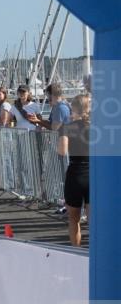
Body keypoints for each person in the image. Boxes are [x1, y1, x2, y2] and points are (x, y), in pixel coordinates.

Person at [57, 94, 90, 247]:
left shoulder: (67, 127)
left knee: (73, 219)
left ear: (73, 108)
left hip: (75, 173)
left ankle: (76, 252)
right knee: (94, 221)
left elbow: (62, 151)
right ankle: (96, 253)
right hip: (93, 174)